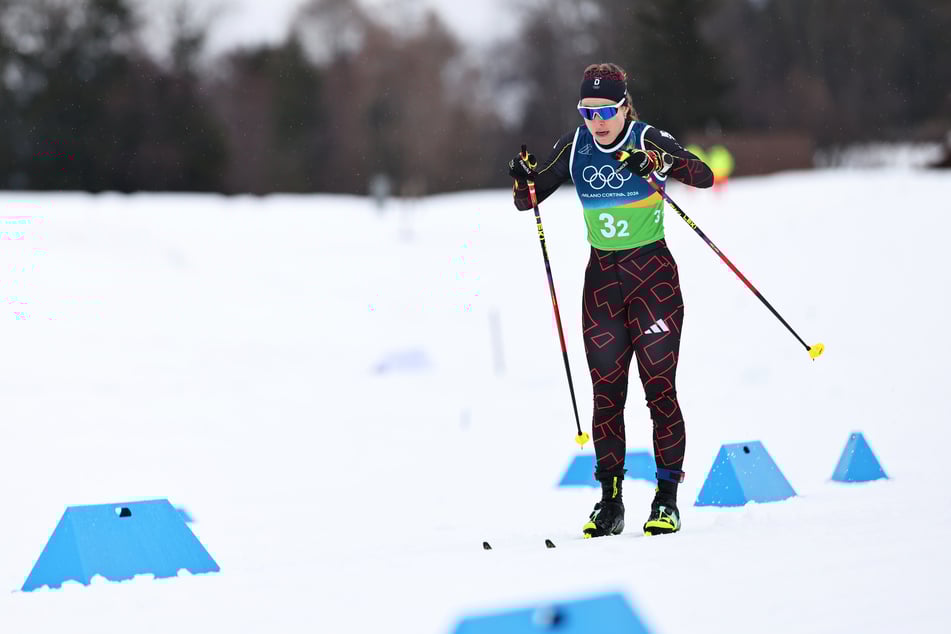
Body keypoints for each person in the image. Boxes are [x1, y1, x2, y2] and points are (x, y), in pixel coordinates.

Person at [508, 63, 713, 537]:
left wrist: (660, 164)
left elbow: (701, 175)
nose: (596, 120)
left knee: (660, 391)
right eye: (587, 111)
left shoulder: (645, 138)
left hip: (653, 282)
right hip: (602, 284)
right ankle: (610, 503)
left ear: (624, 107)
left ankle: (666, 499)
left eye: (605, 111)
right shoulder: (575, 144)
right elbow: (528, 199)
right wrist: (523, 177)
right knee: (606, 398)